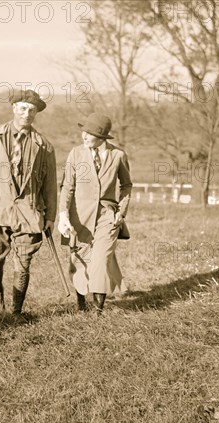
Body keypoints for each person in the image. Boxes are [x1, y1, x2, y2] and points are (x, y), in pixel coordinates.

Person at [0, 89, 57, 319]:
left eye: (32, 110)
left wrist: (50, 217)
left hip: (30, 213)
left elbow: (50, 186)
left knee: (23, 264)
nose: (27, 114)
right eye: (23, 108)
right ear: (14, 108)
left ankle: (16, 312)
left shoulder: (44, 146)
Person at [58, 113, 132, 314]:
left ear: (101, 137)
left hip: (107, 216)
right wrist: (63, 215)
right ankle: (81, 303)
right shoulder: (75, 154)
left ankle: (98, 310)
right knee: (80, 260)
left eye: (89, 133)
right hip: (79, 217)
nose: (84, 136)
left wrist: (121, 212)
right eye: (83, 131)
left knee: (100, 259)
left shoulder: (118, 156)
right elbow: (67, 187)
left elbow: (126, 185)